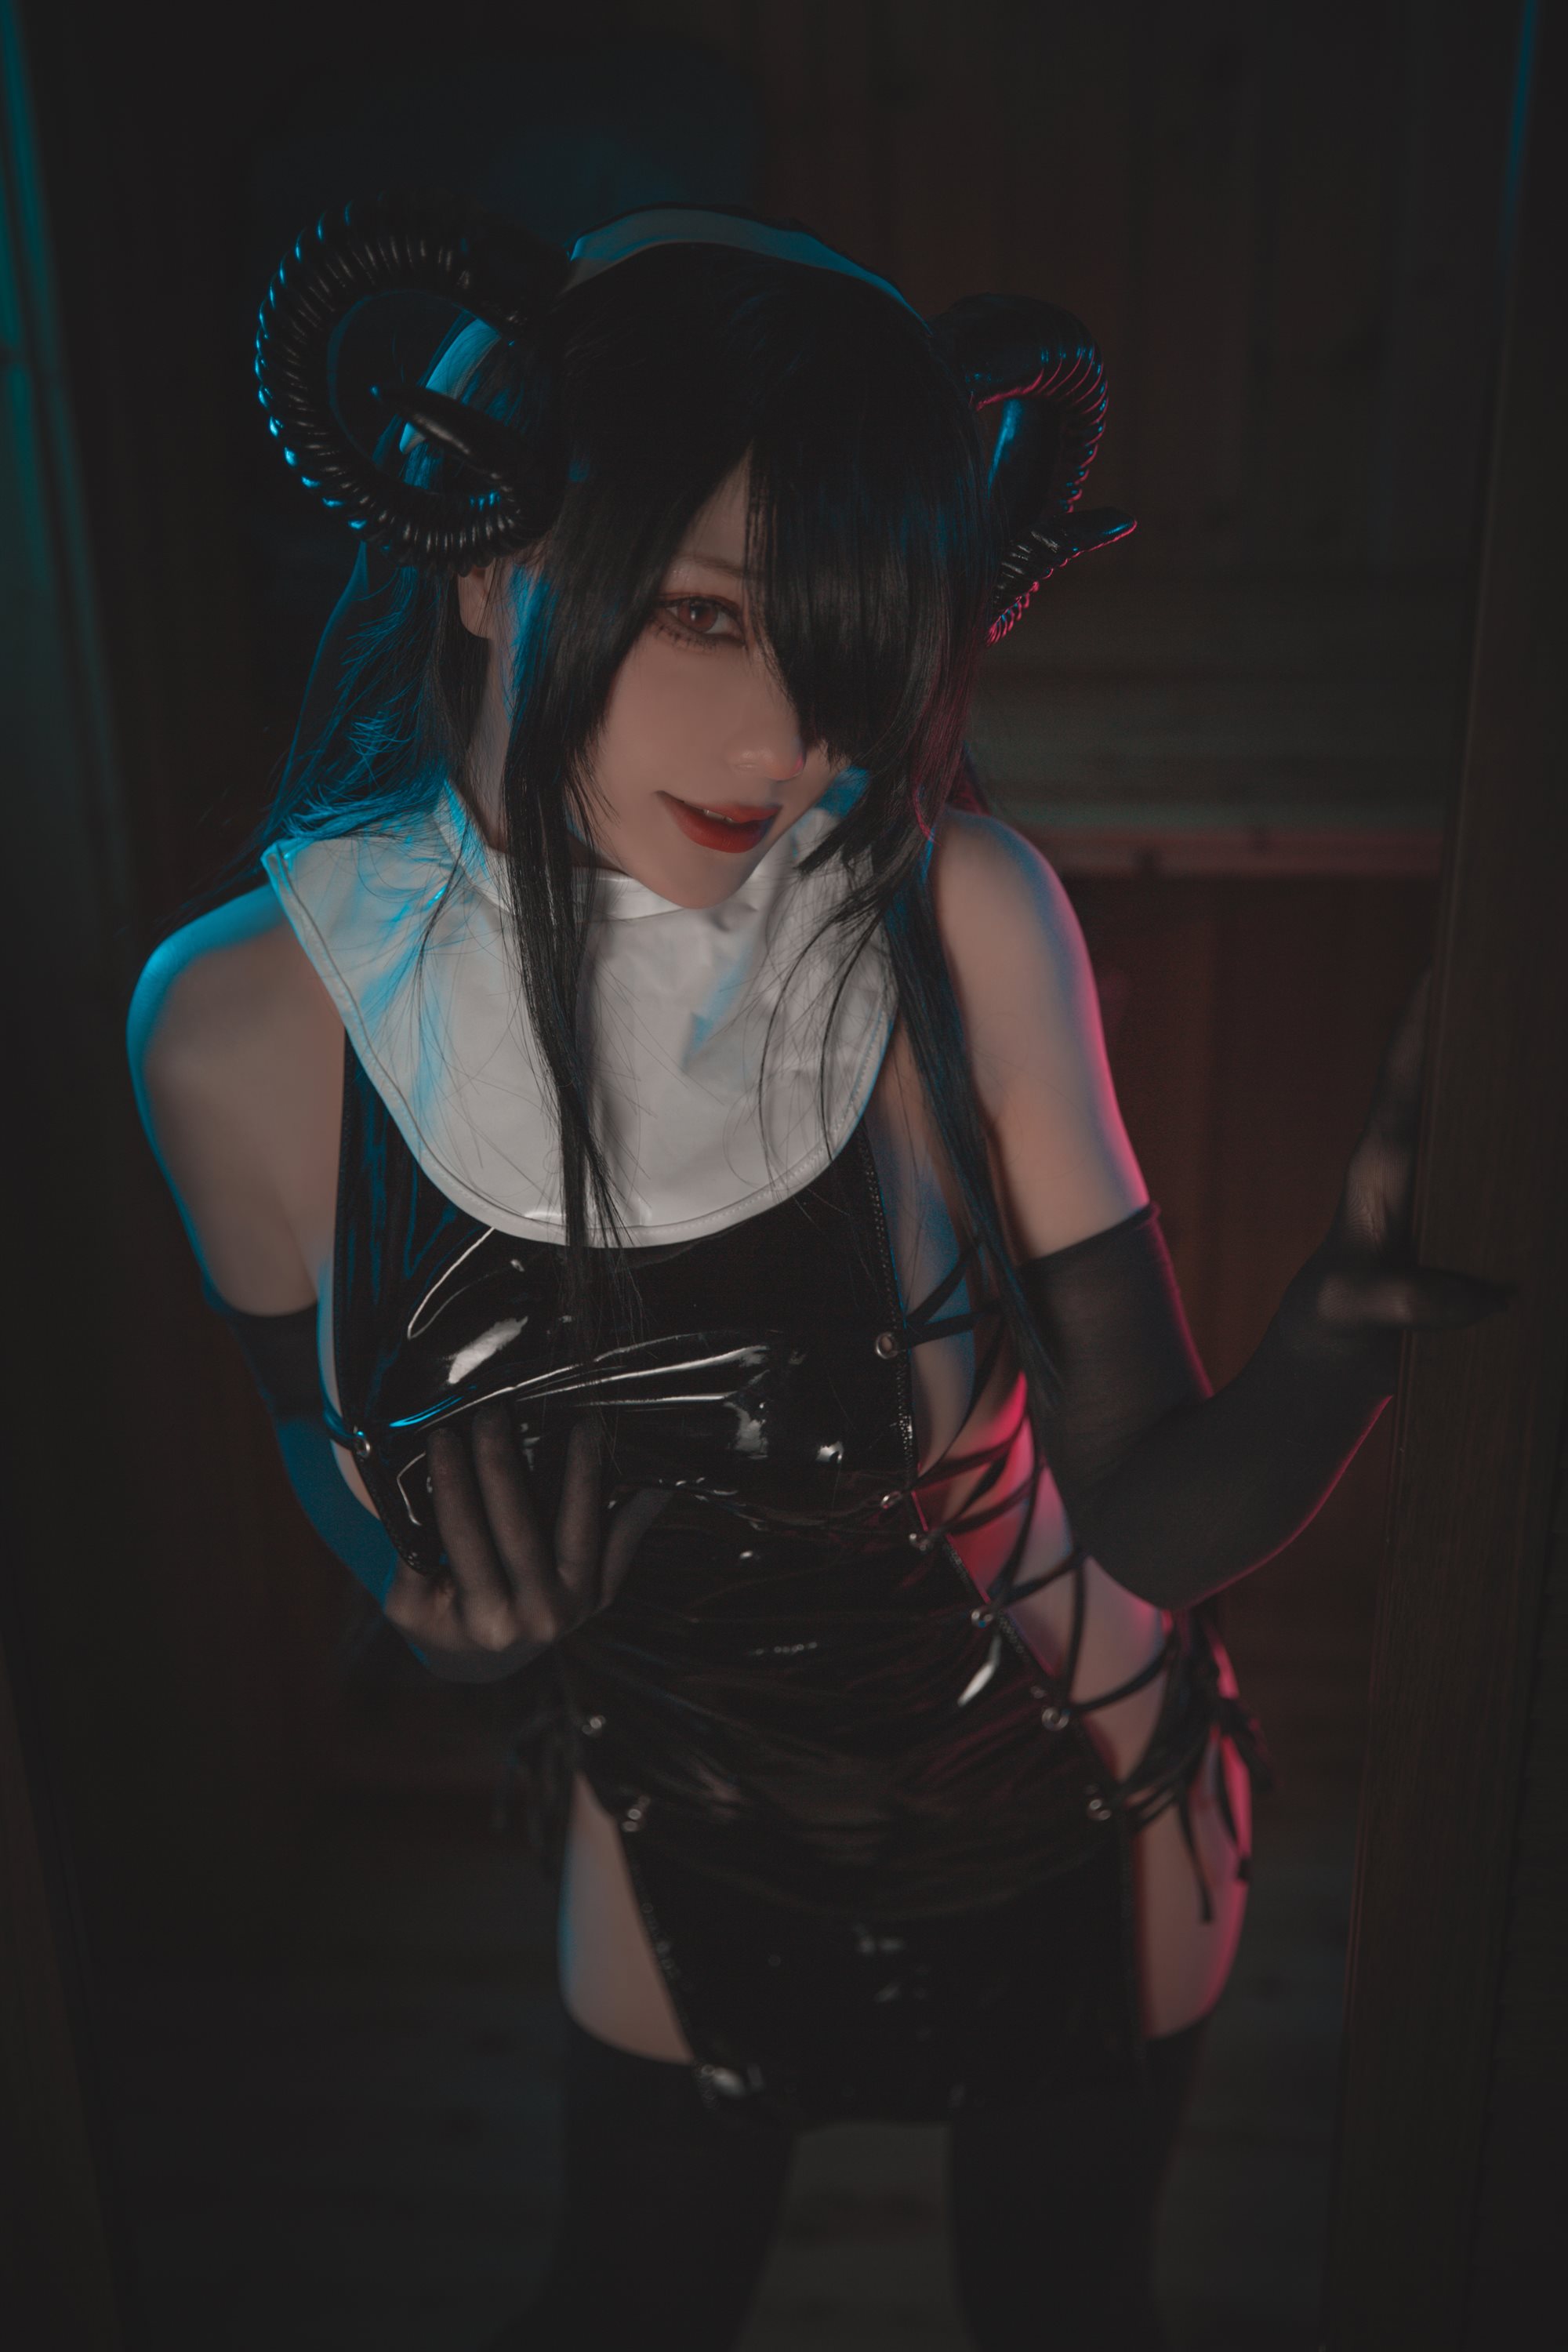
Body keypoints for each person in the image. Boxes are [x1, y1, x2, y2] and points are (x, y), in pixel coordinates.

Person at [128, 195, 1504, 2351]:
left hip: (1072, 1801)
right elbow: (315, 1426)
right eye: (702, 613)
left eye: (850, 647)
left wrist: (1343, 1324)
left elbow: (1152, 1516)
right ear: (484, 558)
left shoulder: (956, 914)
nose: (784, 740)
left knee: (1065, 2312)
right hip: (670, 1833)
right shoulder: (241, 1030)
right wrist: (424, 1602)